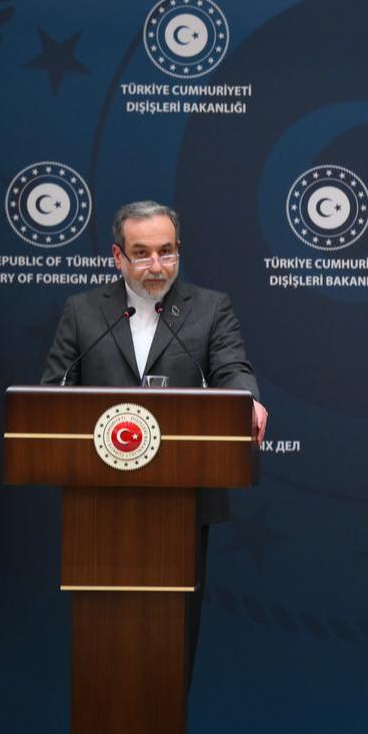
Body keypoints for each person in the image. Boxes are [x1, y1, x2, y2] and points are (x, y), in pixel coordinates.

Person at [41, 199, 268, 684]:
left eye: (167, 251)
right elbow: (51, 395)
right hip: (99, 507)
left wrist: (246, 400)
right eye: (141, 254)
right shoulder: (83, 312)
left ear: (179, 250)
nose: (156, 266)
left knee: (170, 655)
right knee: (106, 659)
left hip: (181, 505)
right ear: (117, 256)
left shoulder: (210, 309)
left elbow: (233, 370)